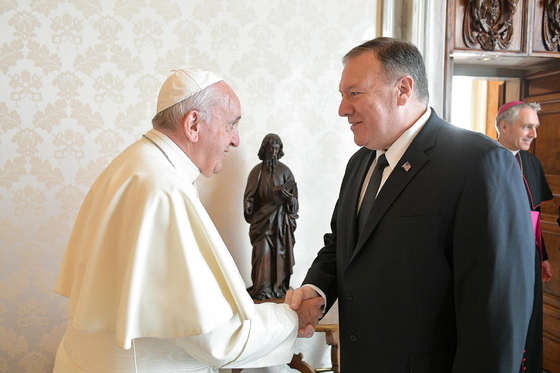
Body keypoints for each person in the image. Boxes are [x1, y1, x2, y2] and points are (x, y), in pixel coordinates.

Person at [287, 37, 535, 372]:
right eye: (342, 95)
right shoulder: (359, 163)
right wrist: (317, 288)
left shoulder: (480, 164)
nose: (343, 108)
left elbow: (497, 313)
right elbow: (343, 245)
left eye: (354, 93)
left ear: (403, 89)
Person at [53, 68, 323, 373]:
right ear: (193, 124)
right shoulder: (163, 189)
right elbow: (219, 338)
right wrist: (291, 319)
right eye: (232, 125)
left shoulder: (136, 163)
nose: (236, 140)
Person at [496, 101, 554, 373]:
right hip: (498, 257)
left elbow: (535, 215)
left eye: (535, 127)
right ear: (504, 126)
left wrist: (542, 257)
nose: (534, 134)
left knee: (530, 317)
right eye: (527, 127)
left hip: (528, 257)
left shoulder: (531, 162)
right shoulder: (484, 158)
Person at [244, 133, 298, 300]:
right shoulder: (256, 172)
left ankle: (279, 289)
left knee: (280, 256)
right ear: (264, 149)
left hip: (281, 225)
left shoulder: (286, 172)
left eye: (276, 149)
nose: (273, 152)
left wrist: (289, 200)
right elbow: (249, 197)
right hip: (262, 223)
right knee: (263, 254)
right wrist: (248, 205)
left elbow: (294, 203)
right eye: (270, 148)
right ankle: (262, 289)